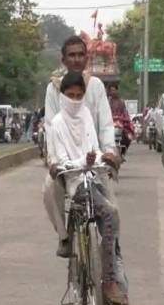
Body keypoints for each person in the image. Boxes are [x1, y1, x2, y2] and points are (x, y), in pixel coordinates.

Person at [49, 71, 148, 305]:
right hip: (74, 182)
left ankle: (115, 289)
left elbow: (96, 146)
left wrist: (106, 157)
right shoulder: (57, 125)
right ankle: (108, 282)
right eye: (70, 95)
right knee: (109, 213)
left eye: (79, 95)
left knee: (112, 231)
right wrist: (82, 161)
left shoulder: (86, 117)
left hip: (93, 177)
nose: (75, 100)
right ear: (62, 96)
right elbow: (58, 160)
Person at [44, 35, 115, 256]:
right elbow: (50, 126)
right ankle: (64, 236)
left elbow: (105, 124)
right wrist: (53, 162)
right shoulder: (54, 88)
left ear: (87, 58)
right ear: (63, 59)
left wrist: (110, 152)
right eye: (71, 55)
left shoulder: (96, 86)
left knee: (112, 211)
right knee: (49, 187)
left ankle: (112, 264)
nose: (76, 59)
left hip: (93, 159)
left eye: (80, 54)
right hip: (66, 162)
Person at [106, 82, 134, 159]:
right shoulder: (107, 102)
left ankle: (123, 152)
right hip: (109, 124)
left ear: (117, 91)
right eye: (111, 90)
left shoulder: (121, 102)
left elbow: (125, 113)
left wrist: (124, 118)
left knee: (128, 137)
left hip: (121, 124)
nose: (113, 92)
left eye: (114, 90)